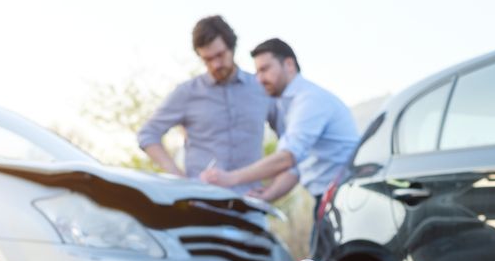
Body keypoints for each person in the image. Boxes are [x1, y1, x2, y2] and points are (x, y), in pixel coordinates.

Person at [200, 38, 359, 207]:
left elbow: (286, 159)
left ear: (289, 65)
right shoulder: (290, 105)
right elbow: (295, 168)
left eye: (265, 69)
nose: (259, 79)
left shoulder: (310, 100)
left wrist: (230, 178)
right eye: (257, 73)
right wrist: (268, 194)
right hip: (330, 198)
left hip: (346, 198)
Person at [137, 15, 271, 194]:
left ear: (232, 48)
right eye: (207, 59)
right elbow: (148, 134)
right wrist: (180, 181)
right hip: (202, 203)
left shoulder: (261, 88)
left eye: (220, 55)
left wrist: (272, 191)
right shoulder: (187, 92)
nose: (215, 64)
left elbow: (290, 144)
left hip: (250, 205)